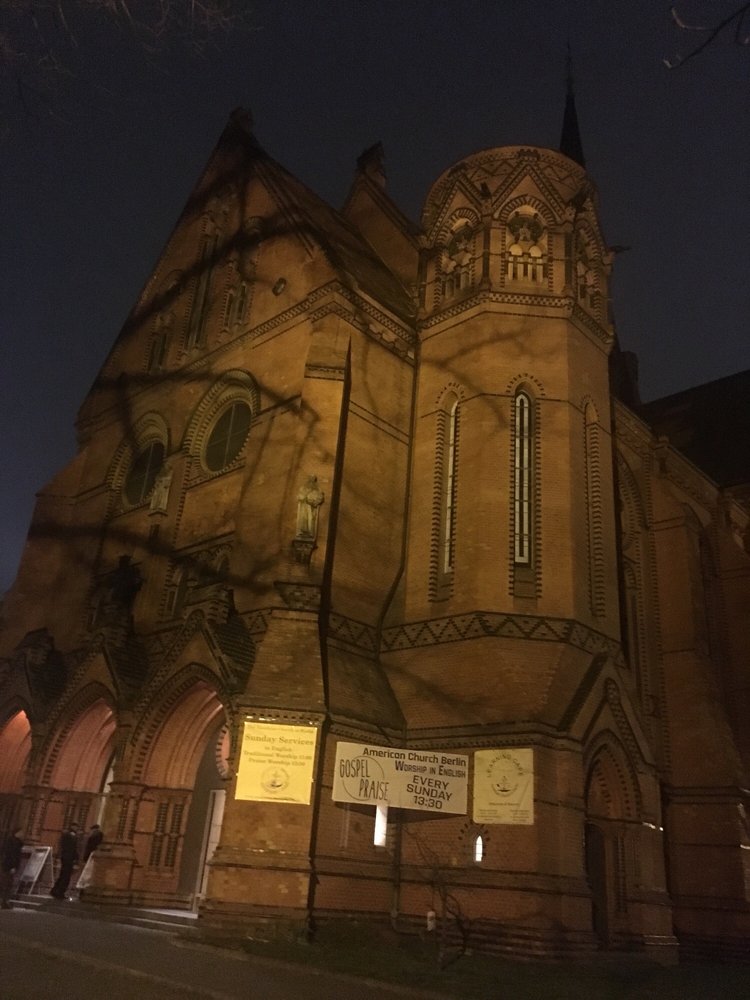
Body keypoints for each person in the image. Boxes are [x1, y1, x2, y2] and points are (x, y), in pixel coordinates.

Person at [50, 822, 79, 899]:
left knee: (63, 875)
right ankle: (60, 892)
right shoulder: (71, 835)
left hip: (65, 857)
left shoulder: (66, 834)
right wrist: (76, 859)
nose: (77, 829)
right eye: (76, 827)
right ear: (73, 827)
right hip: (68, 858)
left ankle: (55, 890)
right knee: (66, 876)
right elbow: (73, 848)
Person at [76, 824, 103, 897]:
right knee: (87, 874)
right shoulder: (96, 835)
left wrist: (85, 857)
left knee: (87, 874)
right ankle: (83, 891)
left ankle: (83, 891)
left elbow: (89, 847)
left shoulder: (94, 836)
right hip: (92, 855)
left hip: (91, 856)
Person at [1, 828, 24, 909]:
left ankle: (5, 901)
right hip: (9, 866)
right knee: (7, 884)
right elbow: (12, 855)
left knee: (7, 884)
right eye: (21, 832)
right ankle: (5, 901)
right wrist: (13, 866)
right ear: (16, 833)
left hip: (8, 866)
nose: (22, 834)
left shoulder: (15, 842)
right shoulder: (13, 842)